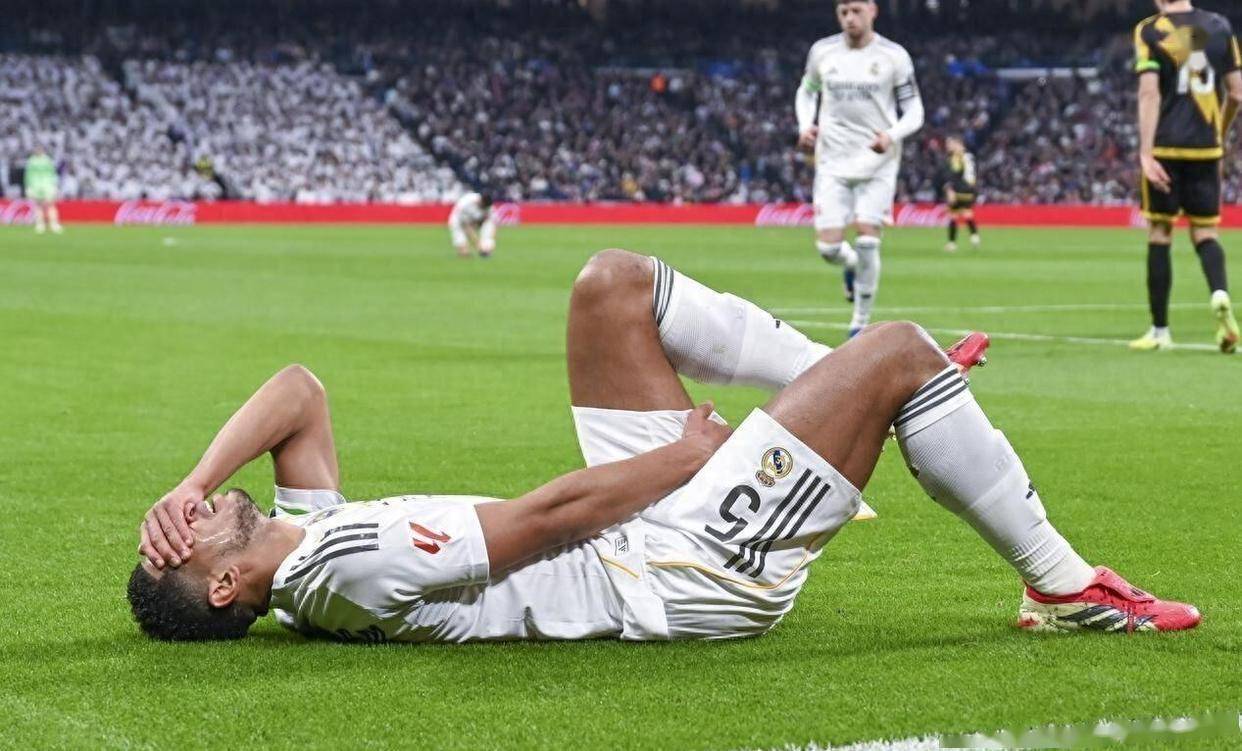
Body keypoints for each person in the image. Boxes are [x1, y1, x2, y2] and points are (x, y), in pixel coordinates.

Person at [126, 251, 1200, 643]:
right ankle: (1060, 581)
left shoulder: (299, 546)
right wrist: (683, 459)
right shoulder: (347, 569)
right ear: (221, 585)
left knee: (610, 287)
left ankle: (837, 387)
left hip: (638, 528)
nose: (192, 516)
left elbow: (300, 392)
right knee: (905, 353)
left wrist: (194, 477)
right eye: (187, 533)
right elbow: (545, 519)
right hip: (681, 570)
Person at [795, 0, 924, 335]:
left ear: (872, 10)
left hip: (878, 159)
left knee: (868, 240)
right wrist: (805, 125)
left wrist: (891, 135)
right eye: (843, 12)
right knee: (828, 249)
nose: (849, 18)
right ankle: (851, 265)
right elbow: (806, 92)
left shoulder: (893, 56)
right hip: (832, 159)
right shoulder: (822, 52)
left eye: (856, 11)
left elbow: (915, 111)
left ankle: (859, 323)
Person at [1131, 0, 1241, 353]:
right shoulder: (1219, 26)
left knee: (1160, 232)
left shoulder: (1151, 30)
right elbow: (1237, 93)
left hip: (1166, 146)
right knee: (1206, 232)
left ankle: (1160, 331)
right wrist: (1219, 135)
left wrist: (1146, 152)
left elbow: (1149, 92)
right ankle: (1219, 294)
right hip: (1206, 147)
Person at [942, 136, 981, 253]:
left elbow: (954, 175)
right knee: (967, 213)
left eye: (950, 144)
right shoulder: (969, 156)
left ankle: (952, 243)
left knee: (953, 216)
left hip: (959, 190)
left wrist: (950, 189)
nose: (948, 146)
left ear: (958, 144)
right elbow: (973, 174)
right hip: (970, 190)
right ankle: (974, 237)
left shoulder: (956, 158)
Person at [24, 146, 63, 235]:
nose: (38, 151)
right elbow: (28, 175)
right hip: (36, 186)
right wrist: (28, 186)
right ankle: (40, 224)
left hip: (47, 185)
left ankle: (54, 224)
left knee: (50, 204)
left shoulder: (47, 160)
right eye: (37, 149)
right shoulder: (31, 161)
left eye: (40, 149)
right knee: (38, 205)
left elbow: (53, 173)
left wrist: (54, 186)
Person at [447, 191, 497, 258]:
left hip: (474, 220)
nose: (483, 209)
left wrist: (490, 241)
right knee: (464, 253)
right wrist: (479, 246)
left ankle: (486, 247)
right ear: (480, 201)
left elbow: (492, 224)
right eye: (482, 207)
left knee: (488, 242)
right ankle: (465, 249)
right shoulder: (466, 204)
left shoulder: (488, 207)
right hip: (458, 221)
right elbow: (467, 228)